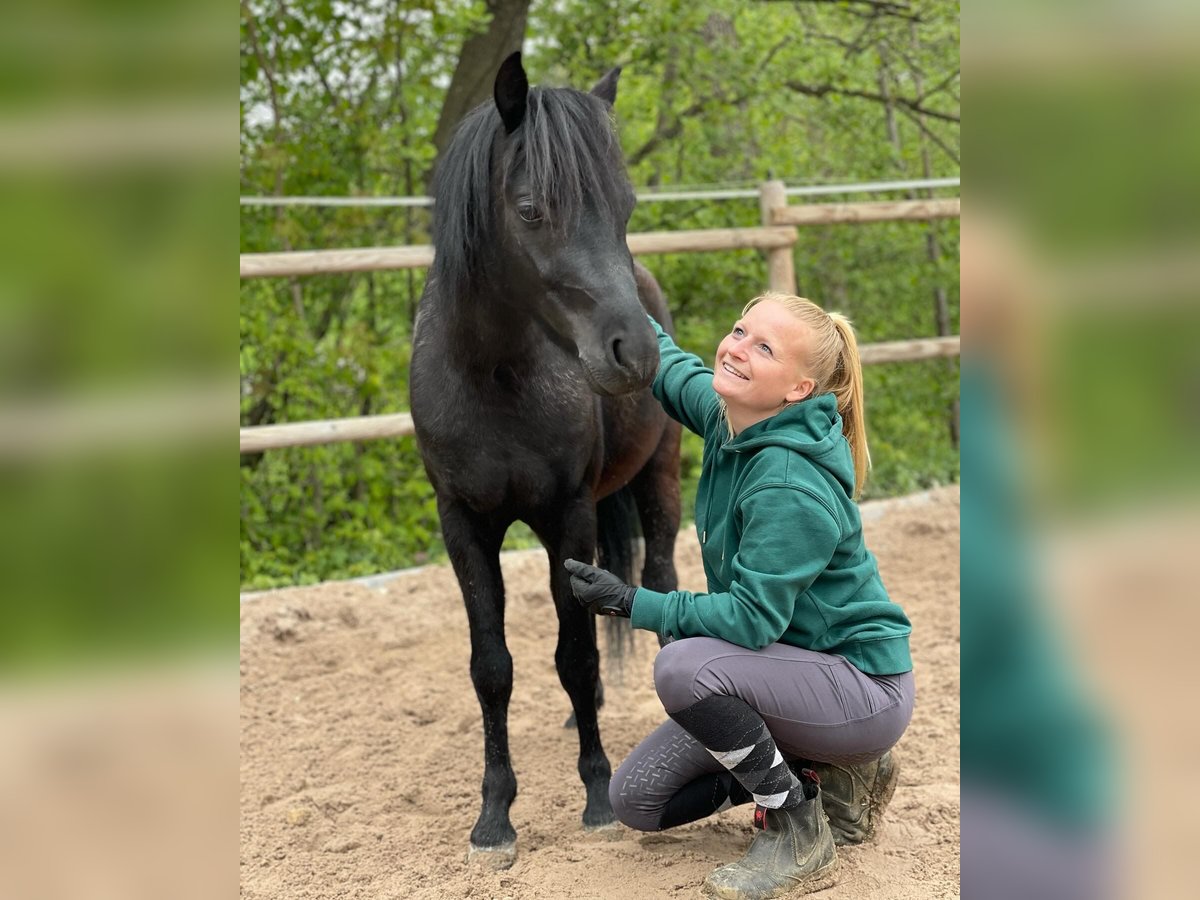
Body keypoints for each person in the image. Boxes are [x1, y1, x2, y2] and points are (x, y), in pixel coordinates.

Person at [565, 293, 915, 900]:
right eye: (739, 331)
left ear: (799, 389)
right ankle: (824, 773)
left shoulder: (787, 481)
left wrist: (633, 602)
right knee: (639, 799)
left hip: (861, 691)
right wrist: (611, 291)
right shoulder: (732, 419)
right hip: (789, 672)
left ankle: (795, 825)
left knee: (681, 666)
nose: (737, 348)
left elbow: (751, 620)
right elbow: (669, 366)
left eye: (765, 348)